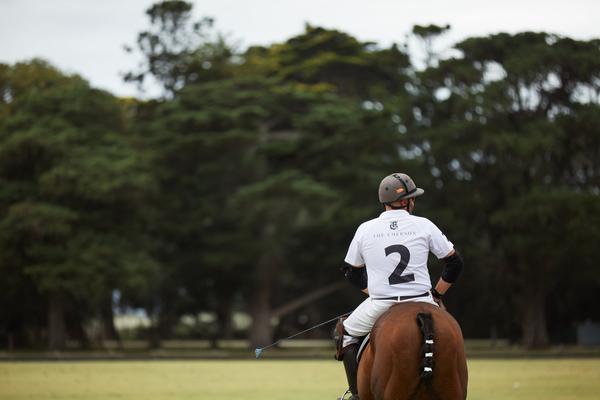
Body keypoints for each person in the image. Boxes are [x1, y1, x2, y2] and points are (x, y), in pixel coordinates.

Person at [334, 173, 464, 400]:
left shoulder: (366, 228)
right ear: (407, 201)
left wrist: (373, 292)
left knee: (344, 333)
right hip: (423, 299)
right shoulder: (424, 224)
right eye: (413, 198)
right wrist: (436, 294)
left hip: (380, 305)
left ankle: (355, 395)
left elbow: (351, 271)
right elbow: (454, 263)